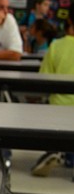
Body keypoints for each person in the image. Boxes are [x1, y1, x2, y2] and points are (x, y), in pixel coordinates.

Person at [31, 14, 74, 176]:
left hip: (59, 110)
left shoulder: (56, 46)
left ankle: (56, 150)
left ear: (68, 22)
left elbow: (43, 81)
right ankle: (68, 156)